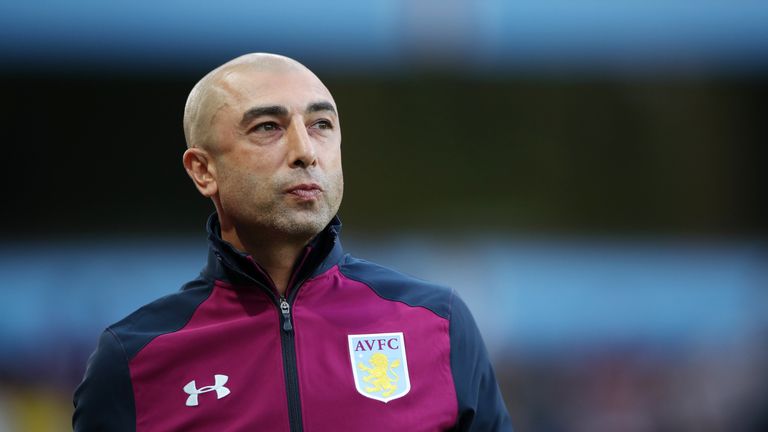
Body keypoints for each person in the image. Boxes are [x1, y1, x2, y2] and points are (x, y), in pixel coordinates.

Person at [72, 53, 512, 431]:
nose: (306, 150)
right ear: (202, 170)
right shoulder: (133, 359)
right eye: (267, 127)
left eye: (321, 124)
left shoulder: (438, 324)